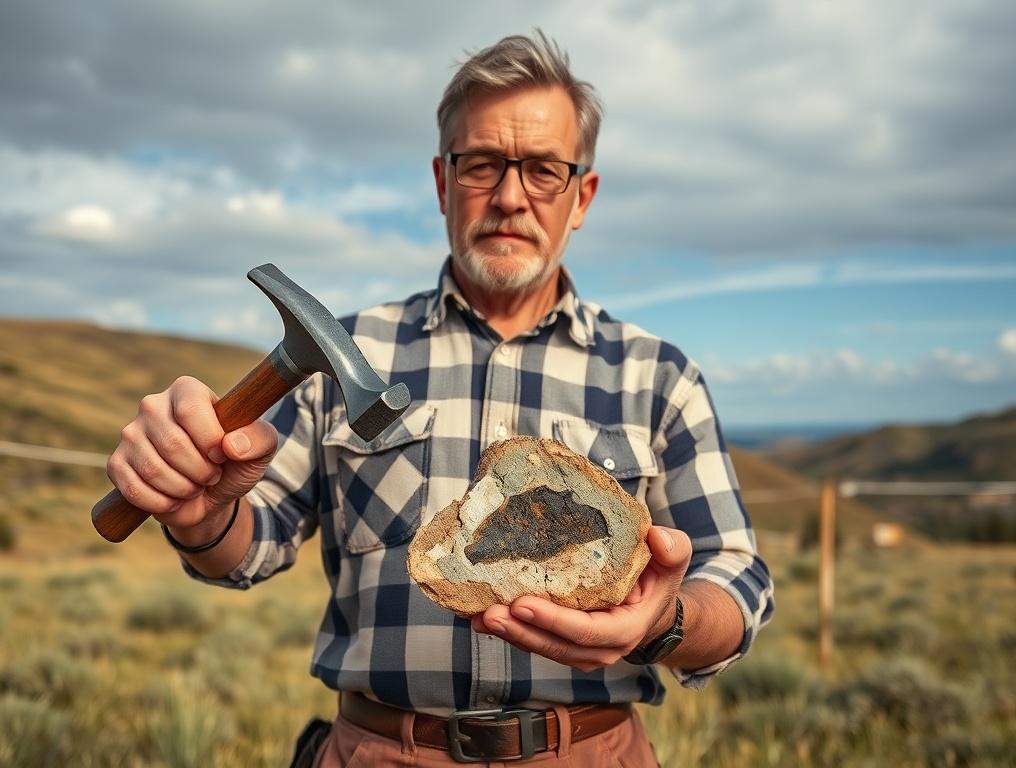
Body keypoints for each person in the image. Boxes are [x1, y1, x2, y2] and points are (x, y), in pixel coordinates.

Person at [106, 31, 774, 767]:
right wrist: (199, 514)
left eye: (544, 170)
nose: (511, 196)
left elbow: (734, 578)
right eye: (482, 164)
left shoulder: (658, 377)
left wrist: (663, 623)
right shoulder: (354, 356)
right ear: (442, 182)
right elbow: (246, 549)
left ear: (581, 196)